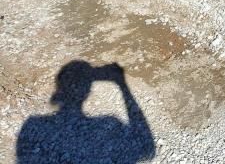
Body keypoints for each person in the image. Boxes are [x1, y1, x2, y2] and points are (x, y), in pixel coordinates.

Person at [16, 61, 155, 164]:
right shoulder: (109, 127)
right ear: (87, 92)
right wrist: (122, 85)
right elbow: (147, 149)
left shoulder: (33, 126)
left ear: (58, 89)